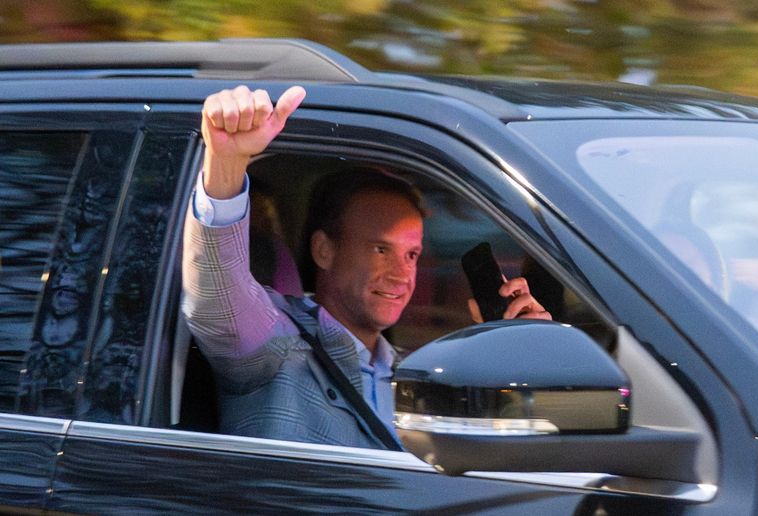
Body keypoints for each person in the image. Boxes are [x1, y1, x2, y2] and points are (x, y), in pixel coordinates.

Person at [181, 85, 551, 450]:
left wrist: (522, 355)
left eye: (412, 255)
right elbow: (217, 293)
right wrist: (227, 163)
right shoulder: (276, 343)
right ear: (324, 250)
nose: (401, 275)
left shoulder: (417, 376)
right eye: (380, 249)